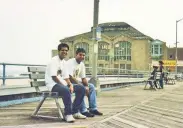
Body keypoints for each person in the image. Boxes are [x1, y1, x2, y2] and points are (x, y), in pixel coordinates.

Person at [45, 43, 86, 123]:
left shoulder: (63, 62)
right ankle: (68, 114)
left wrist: (70, 84)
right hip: (53, 85)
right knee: (66, 90)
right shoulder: (54, 61)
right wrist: (65, 86)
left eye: (66, 50)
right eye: (63, 50)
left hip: (62, 84)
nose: (65, 52)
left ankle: (75, 112)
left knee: (81, 88)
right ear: (59, 51)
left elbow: (66, 77)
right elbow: (54, 77)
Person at [62, 48, 103, 117]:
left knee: (91, 87)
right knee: (81, 88)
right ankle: (83, 110)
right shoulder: (70, 62)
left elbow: (83, 78)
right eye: (80, 55)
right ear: (76, 55)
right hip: (68, 84)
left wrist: (87, 86)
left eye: (83, 55)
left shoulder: (82, 64)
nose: (82, 57)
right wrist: (81, 85)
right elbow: (70, 77)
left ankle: (93, 109)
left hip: (77, 84)